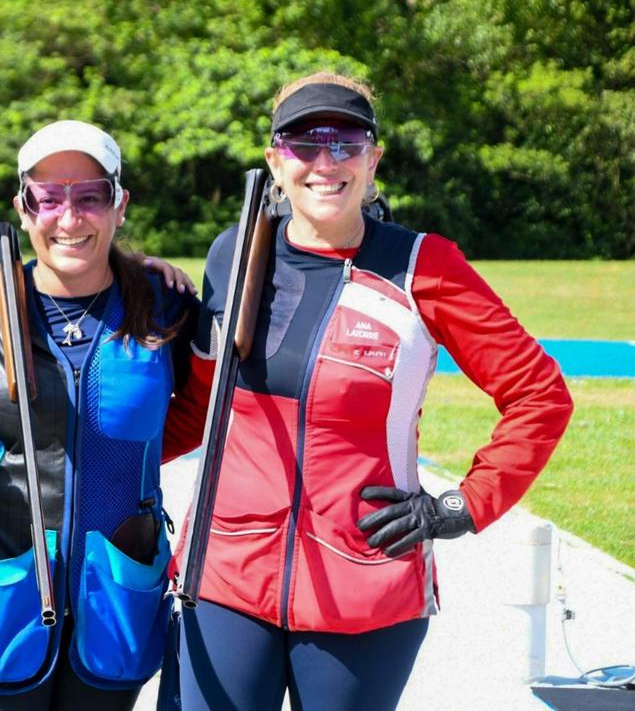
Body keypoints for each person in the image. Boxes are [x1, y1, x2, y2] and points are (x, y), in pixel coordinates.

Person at [163, 72, 575, 710]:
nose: (324, 163)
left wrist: (460, 508)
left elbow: (540, 395)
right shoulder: (234, 254)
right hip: (224, 574)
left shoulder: (424, 267)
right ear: (275, 159)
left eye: (345, 143)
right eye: (304, 144)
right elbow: (199, 406)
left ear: (373, 158)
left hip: (365, 579)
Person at [0, 120, 200, 710]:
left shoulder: (166, 306)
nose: (68, 217)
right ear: (23, 209)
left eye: (90, 196)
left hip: (115, 595)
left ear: (119, 205)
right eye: (47, 198)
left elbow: (199, 417)